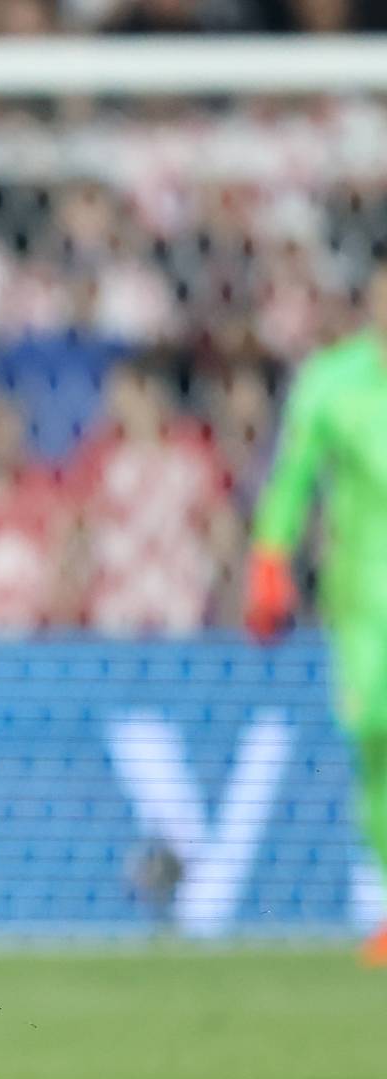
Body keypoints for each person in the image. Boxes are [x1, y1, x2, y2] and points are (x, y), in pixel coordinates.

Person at [244, 255, 387, 967]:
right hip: (364, 603)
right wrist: (270, 561)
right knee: (374, 737)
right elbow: (292, 481)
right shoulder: (331, 384)